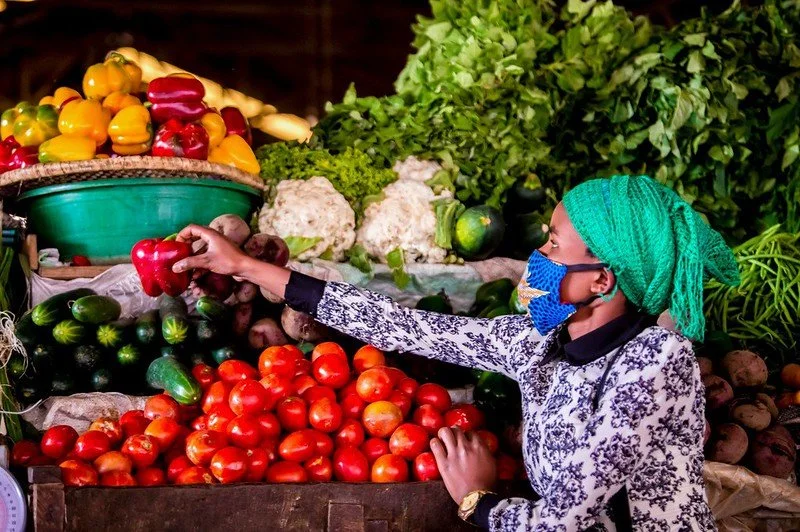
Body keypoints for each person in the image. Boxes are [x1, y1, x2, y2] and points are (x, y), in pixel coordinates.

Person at [173, 174, 739, 531]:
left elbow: (566, 518)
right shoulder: (544, 341)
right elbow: (405, 327)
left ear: (601, 281)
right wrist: (248, 267)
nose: (537, 255)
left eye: (552, 243)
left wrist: (477, 500)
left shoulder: (657, 360)